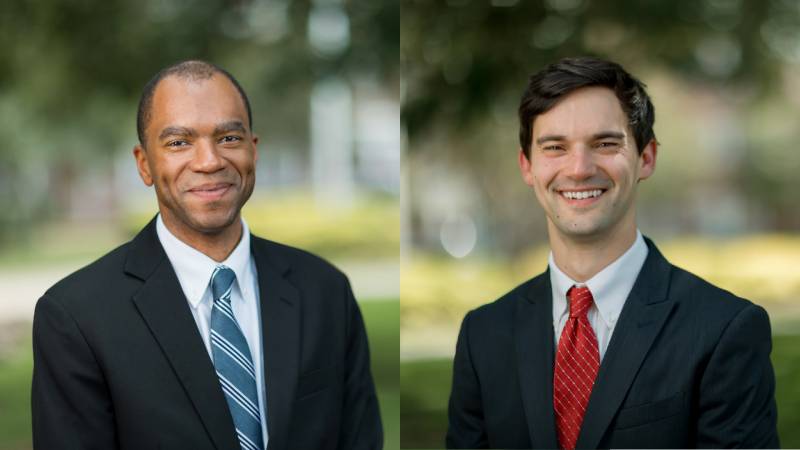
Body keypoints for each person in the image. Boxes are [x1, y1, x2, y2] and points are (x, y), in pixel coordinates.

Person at [31, 60, 383, 450]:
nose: (209, 161)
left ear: (254, 149)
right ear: (144, 164)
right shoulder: (75, 317)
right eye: (179, 142)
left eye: (229, 138)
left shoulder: (326, 291)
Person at [446, 56, 779, 449]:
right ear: (527, 166)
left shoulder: (725, 331)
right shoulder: (483, 335)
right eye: (555, 147)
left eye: (605, 144)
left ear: (646, 157)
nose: (579, 168)